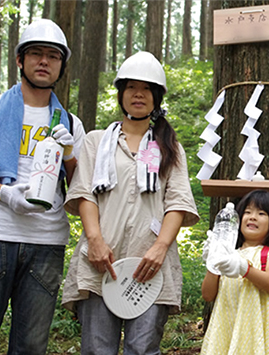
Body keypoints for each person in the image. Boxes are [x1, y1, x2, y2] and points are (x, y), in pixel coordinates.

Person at [61, 51, 199, 354]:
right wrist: (94, 240)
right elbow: (85, 193)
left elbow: (177, 202)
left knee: (143, 348)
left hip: (151, 266)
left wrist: (160, 248)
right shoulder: (97, 141)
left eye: (147, 88)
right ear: (121, 93)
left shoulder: (168, 145)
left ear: (157, 97)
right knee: (97, 348)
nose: (139, 94)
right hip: (101, 263)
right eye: (131, 87)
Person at [0, 19, 86, 354]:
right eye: (36, 53)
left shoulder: (70, 123)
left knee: (30, 346)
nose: (44, 61)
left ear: (61, 65)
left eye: (53, 56)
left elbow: (80, 190)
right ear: (19, 60)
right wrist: (4, 193)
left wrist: (70, 154)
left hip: (46, 242)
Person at [201, 190, 269, 354]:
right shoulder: (229, 255)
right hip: (226, 324)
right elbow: (208, 295)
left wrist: (244, 268)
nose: (252, 217)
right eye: (247, 212)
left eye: (261, 213)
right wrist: (212, 261)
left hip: (258, 327)